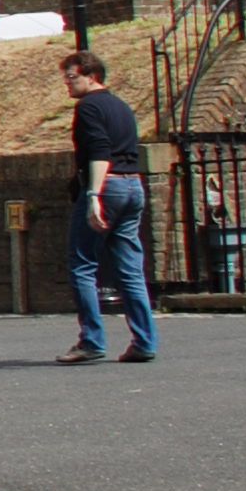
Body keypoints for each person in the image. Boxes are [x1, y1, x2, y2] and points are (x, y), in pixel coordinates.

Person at [59, 49, 161, 364]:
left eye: (72, 76)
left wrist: (93, 196)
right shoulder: (121, 106)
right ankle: (144, 341)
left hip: (108, 186)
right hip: (133, 185)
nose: (68, 83)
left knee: (82, 264)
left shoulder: (89, 107)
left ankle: (91, 340)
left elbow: (101, 152)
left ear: (92, 76)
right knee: (130, 269)